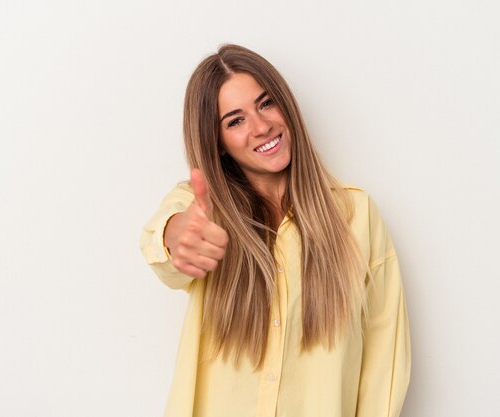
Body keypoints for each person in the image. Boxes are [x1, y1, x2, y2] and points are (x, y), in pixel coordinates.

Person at [140, 44, 410, 417]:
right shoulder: (204, 210)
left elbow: (385, 362)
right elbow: (166, 238)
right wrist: (176, 237)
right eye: (235, 121)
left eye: (265, 103)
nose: (261, 126)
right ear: (216, 143)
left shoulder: (356, 215)